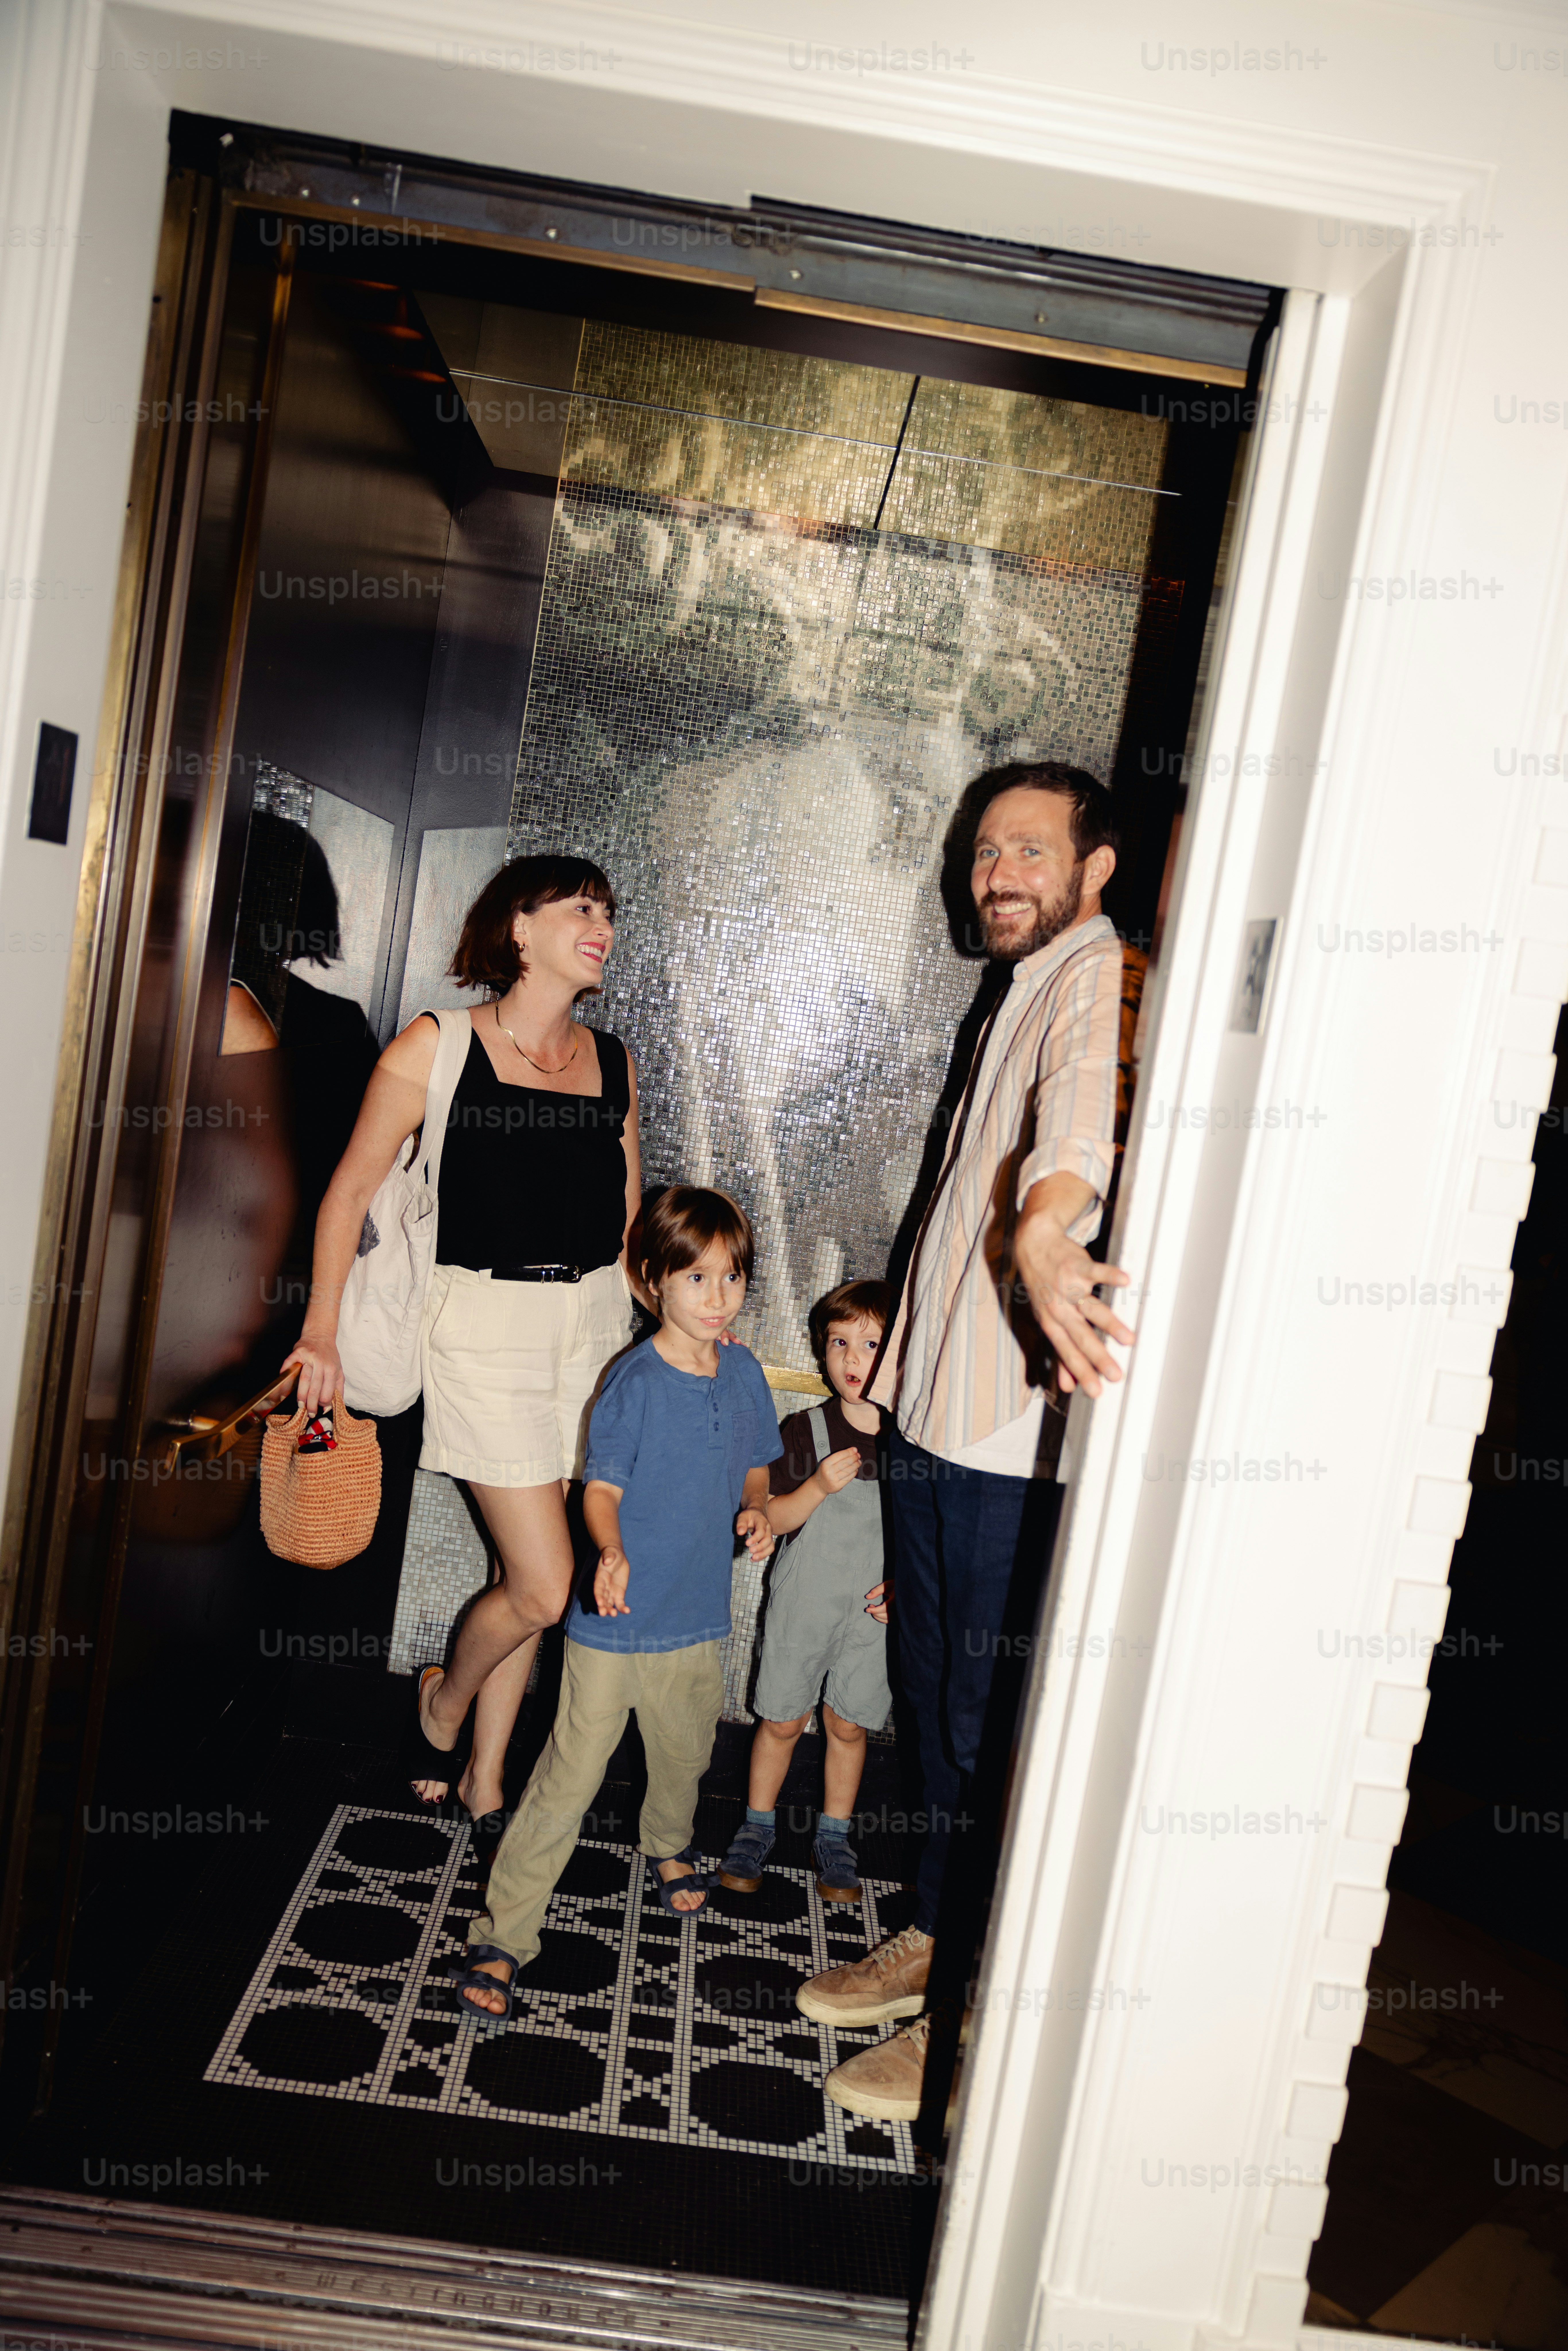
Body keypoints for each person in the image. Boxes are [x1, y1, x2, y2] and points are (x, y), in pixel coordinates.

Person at [795, 762, 1137, 2123]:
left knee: (989, 1736)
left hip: (1004, 1446)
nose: (998, 872)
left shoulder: (1094, 980)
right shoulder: (1014, 986)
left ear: (1093, 866)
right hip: (939, 1426)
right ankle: (937, 1938)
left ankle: (972, 2024)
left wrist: (1051, 1232)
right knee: (940, 1721)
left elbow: (1078, 1137)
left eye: (1030, 850)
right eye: (985, 849)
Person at [284, 854, 643, 1845]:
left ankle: (485, 1777)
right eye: (579, 909)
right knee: (544, 1582)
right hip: (479, 1331)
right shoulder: (436, 1044)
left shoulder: (612, 1060)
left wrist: (679, 1322)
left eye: (607, 912)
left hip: (590, 1334)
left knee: (523, 1566)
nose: (601, 925)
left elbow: (624, 1221)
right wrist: (319, 1328)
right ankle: (442, 1706)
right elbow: (348, 1193)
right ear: (517, 930)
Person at [451, 1186, 781, 2019]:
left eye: (732, 1278)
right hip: (615, 1620)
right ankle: (503, 1934)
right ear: (652, 1282)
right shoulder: (631, 1383)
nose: (718, 1298)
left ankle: (667, 1847)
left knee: (684, 1757)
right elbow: (600, 1490)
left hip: (698, 1620)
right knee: (568, 1777)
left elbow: (756, 1463)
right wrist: (610, 1549)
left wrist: (759, 1508)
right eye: (697, 1279)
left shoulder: (743, 1371)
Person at [718, 1279, 893, 1905]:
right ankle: (756, 1824)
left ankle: (835, 1836)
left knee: (848, 1726)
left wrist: (901, 1587)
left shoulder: (911, 1442)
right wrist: (817, 1486)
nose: (851, 1359)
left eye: (870, 1344)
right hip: (804, 1603)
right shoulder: (806, 1429)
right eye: (838, 1343)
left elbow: (922, 1536)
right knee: (783, 1718)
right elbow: (778, 1514)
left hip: (871, 1617)